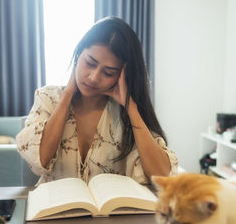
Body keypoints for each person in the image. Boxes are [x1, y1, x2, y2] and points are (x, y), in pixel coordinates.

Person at [17, 16, 178, 186]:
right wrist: (67, 95)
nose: (94, 78)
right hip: (54, 208)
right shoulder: (48, 97)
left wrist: (131, 109)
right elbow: (40, 160)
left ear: (122, 75)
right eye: (90, 63)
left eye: (108, 72)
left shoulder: (125, 112)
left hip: (111, 212)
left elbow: (162, 176)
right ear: (79, 54)